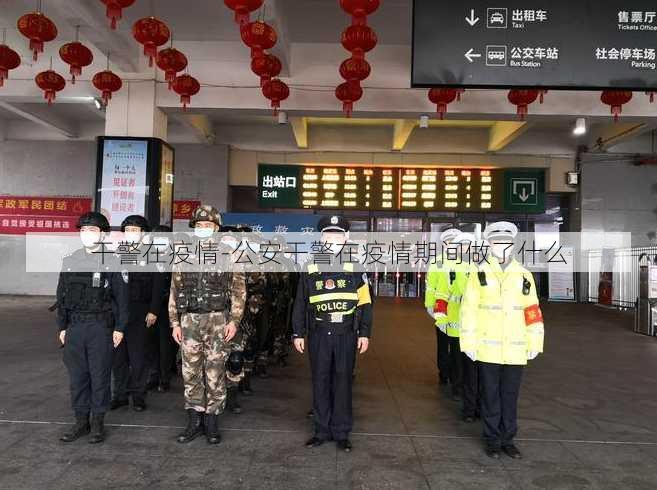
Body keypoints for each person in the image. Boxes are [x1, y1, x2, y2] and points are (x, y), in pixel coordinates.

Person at [460, 221, 544, 459]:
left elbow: (532, 311)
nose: (501, 246)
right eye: (496, 242)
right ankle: (492, 439)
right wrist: (468, 343)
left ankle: (508, 439)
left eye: (506, 242)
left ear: (513, 244)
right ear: (489, 245)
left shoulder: (524, 275)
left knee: (510, 395)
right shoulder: (479, 274)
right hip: (487, 348)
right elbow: (469, 310)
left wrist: (535, 342)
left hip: (516, 349)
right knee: (490, 395)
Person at [292, 215, 373, 452]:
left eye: (338, 235)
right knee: (320, 381)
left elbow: (366, 303)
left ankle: (341, 431)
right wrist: (298, 333)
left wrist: (364, 332)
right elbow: (300, 301)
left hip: (346, 333)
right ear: (322, 238)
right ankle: (321, 430)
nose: (333, 239)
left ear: (346, 238)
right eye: (329, 235)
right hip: (319, 332)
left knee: (343, 381)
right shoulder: (311, 265)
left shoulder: (356, 266)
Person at [169, 205, 246, 444]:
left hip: (217, 320)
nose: (203, 229)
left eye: (208, 226)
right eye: (199, 226)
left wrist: (234, 320)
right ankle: (194, 420)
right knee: (190, 371)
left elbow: (238, 291)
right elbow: (175, 289)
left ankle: (212, 421)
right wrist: (174, 322)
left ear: (217, 228)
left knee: (214, 371)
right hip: (189, 320)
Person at [55, 212, 128, 443]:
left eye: (92, 230)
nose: (87, 234)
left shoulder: (114, 260)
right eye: (84, 230)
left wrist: (120, 328)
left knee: (99, 376)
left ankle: (97, 423)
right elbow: (62, 295)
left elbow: (122, 298)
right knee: (77, 377)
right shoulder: (71, 260)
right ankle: (80, 421)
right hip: (75, 326)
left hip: (100, 326)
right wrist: (62, 326)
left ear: (103, 234)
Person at [111, 215, 164, 412]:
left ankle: (139, 395)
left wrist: (153, 310)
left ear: (143, 233)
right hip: (118, 312)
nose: (131, 234)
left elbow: (159, 286)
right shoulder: (117, 254)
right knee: (118, 356)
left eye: (135, 230)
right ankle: (120, 395)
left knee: (138, 356)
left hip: (141, 311)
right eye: (128, 230)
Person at [424, 227, 461, 392]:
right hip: (441, 309)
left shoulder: (466, 261)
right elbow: (430, 286)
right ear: (444, 244)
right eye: (449, 242)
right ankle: (443, 372)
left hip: (461, 312)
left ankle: (456, 375)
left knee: (457, 346)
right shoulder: (437, 262)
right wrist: (429, 306)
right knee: (442, 343)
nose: (452, 245)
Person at [149, 225, 177, 392]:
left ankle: (164, 377)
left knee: (166, 344)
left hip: (168, 307)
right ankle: (154, 375)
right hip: (150, 308)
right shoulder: (148, 257)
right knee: (151, 343)